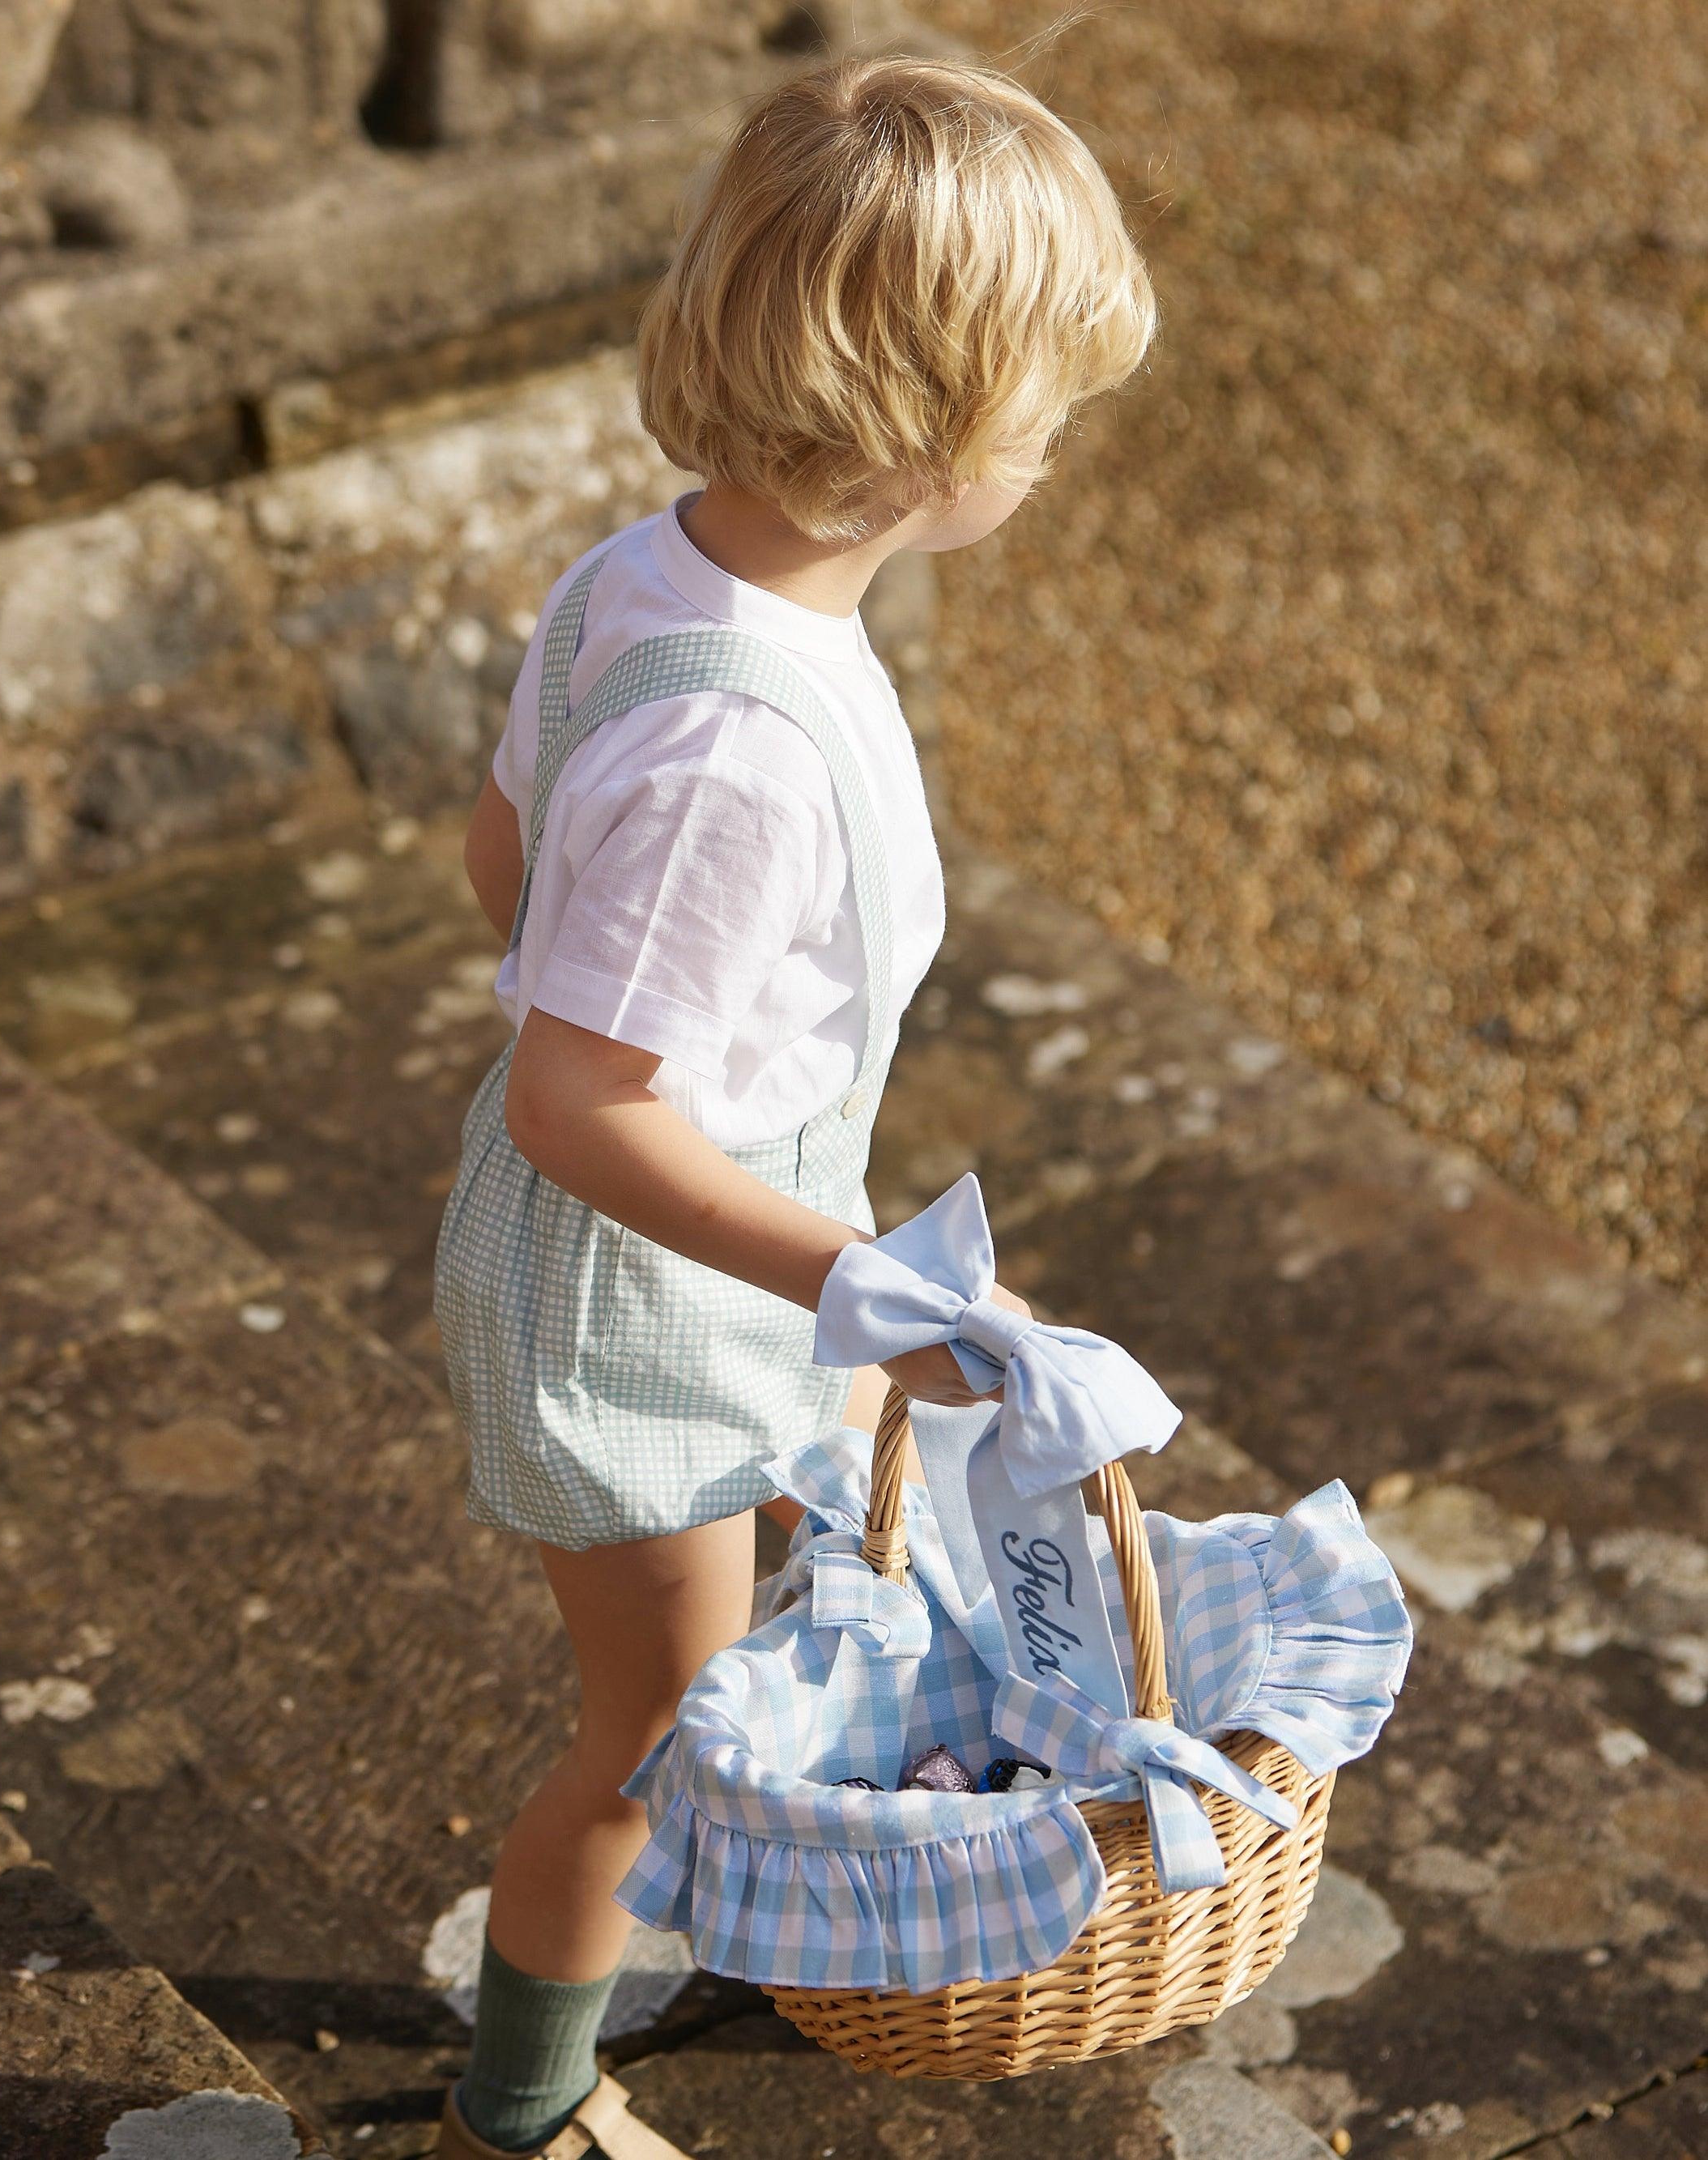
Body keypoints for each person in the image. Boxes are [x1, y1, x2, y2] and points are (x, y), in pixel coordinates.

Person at [430, 49, 1155, 2159]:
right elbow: (577, 1100)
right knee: (644, 1725)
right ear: (936, 434)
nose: (1050, 449)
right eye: (1044, 411)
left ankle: (761, 1881)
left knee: (787, 1569)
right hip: (635, 1307)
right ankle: (526, 2100)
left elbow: (504, 863)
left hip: (704, 1251)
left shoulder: (640, 578)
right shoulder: (737, 748)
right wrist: (856, 1283)